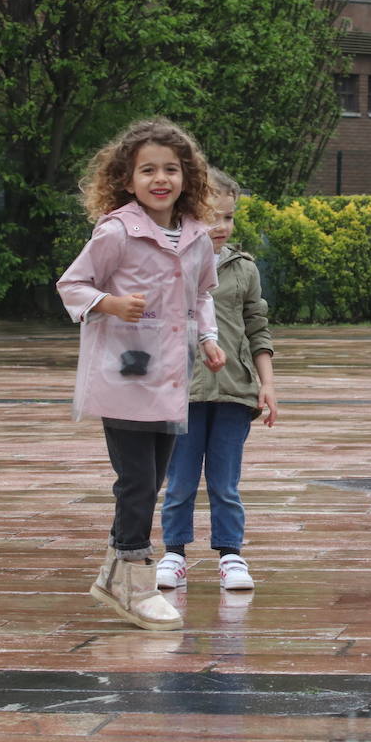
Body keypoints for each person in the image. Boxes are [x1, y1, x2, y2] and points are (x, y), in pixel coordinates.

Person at [57, 117, 227, 630]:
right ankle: (134, 578)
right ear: (127, 180)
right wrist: (108, 303)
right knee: (136, 480)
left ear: (187, 176)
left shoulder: (197, 236)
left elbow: (201, 295)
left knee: (153, 479)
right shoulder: (116, 232)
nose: (161, 179)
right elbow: (73, 284)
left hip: (172, 377)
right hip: (125, 376)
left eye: (171, 169)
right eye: (147, 170)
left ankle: (114, 572)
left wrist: (208, 337)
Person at [156, 167, 278, 592]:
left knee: (225, 481)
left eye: (227, 217)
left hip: (234, 392)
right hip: (181, 391)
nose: (221, 226)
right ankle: (174, 552)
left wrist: (267, 383)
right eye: (211, 216)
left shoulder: (244, 269)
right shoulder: (171, 264)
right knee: (181, 479)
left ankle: (231, 555)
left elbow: (257, 328)